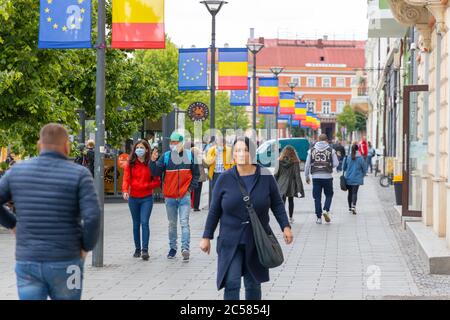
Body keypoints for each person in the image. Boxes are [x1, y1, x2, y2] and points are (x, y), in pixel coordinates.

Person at [0, 123, 100, 300]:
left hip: (27, 261)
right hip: (68, 261)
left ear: (40, 145)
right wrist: (85, 247)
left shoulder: (16, 172)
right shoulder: (80, 174)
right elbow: (92, 216)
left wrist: (12, 223)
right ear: (67, 146)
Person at [200, 136, 293, 300]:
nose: (241, 154)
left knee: (253, 284)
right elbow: (214, 210)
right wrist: (206, 236)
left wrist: (285, 227)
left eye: (245, 150)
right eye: (237, 151)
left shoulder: (265, 176)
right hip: (230, 240)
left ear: (252, 153)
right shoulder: (224, 178)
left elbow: (277, 204)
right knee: (232, 282)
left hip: (256, 240)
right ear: (233, 155)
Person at [150, 132, 199, 262]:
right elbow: (155, 172)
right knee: (172, 224)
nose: (173, 144)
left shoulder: (190, 155)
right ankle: (173, 248)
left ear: (182, 143)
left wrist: (189, 189)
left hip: (184, 196)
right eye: (171, 142)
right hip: (170, 197)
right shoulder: (166, 156)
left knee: (184, 223)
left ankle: (185, 249)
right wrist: (152, 161)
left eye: (175, 142)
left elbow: (196, 174)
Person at [122, 140, 160, 261]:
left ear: (147, 150)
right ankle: (137, 249)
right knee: (135, 224)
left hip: (146, 198)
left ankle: (145, 250)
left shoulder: (151, 164)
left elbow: (157, 181)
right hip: (133, 198)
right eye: (137, 147)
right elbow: (126, 178)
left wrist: (146, 185)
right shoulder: (131, 163)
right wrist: (125, 190)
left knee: (144, 222)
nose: (139, 149)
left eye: (142, 147)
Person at [304, 134, 339, 224]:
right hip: (327, 176)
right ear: (326, 140)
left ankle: (318, 218)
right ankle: (325, 210)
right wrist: (329, 164)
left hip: (315, 177)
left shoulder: (311, 151)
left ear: (318, 140)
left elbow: (307, 165)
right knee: (329, 195)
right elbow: (336, 163)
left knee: (317, 197)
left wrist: (307, 176)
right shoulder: (331, 150)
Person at [274, 145, 305, 224]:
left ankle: (283, 218)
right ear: (293, 153)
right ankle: (290, 218)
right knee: (291, 200)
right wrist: (300, 189)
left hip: (281, 182)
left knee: (282, 200)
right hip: (291, 183)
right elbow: (297, 175)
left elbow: (276, 174)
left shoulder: (279, 161)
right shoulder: (295, 162)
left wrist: (274, 185)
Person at [343, 144, 367, 214]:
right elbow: (364, 168)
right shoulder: (361, 158)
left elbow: (343, 168)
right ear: (358, 149)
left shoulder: (348, 157)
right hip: (357, 178)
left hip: (348, 178)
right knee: (354, 193)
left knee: (349, 193)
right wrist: (363, 175)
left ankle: (350, 208)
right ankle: (354, 206)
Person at [191, 143, 208, 212]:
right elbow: (206, 165)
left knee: (192, 191)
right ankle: (196, 207)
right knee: (198, 192)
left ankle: (191, 205)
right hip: (199, 177)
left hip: (192, 177)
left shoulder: (189, 158)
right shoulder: (199, 158)